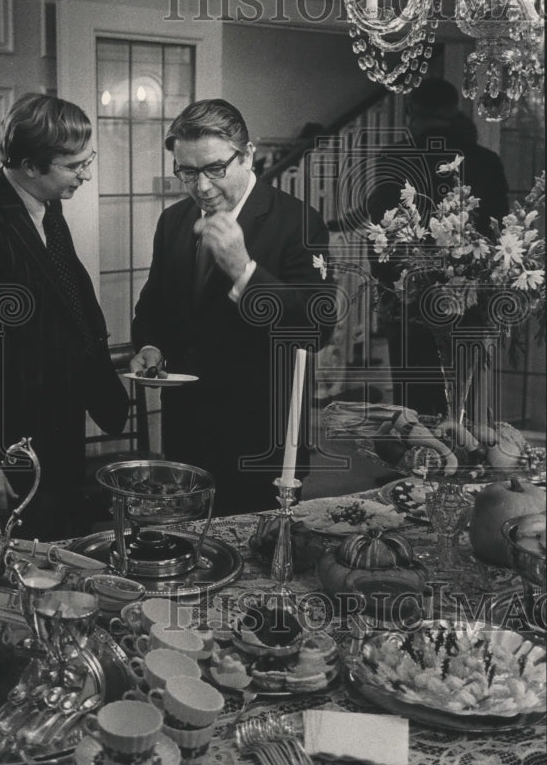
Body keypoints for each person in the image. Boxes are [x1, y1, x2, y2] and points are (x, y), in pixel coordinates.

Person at [0, 93, 130, 539]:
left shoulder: (46, 205)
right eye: (74, 165)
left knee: (62, 546)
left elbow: (64, 302)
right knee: (23, 560)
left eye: (87, 159)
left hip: (58, 422)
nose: (86, 174)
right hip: (12, 441)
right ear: (29, 165)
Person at [130, 98, 333, 516]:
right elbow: (153, 306)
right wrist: (149, 345)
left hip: (258, 439)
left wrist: (245, 271)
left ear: (248, 155)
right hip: (185, 432)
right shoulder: (173, 221)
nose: (201, 186)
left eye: (214, 169)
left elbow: (316, 329)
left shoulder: (298, 222)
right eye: (187, 172)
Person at [368, 77, 510, 417]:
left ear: (413, 114)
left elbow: (382, 232)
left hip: (409, 297)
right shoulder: (486, 161)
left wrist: (389, 290)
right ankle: (464, 460)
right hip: (472, 295)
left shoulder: (395, 158)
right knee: (466, 389)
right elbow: (498, 230)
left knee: (415, 393)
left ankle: (420, 460)